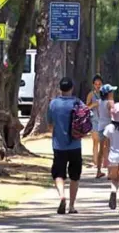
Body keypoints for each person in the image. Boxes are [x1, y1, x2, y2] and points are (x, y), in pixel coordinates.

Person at [47, 77, 84, 214]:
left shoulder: (53, 104)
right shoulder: (77, 102)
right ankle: (72, 206)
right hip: (75, 144)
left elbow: (50, 124)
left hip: (58, 145)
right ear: (72, 88)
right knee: (75, 176)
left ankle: (62, 195)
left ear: (60, 89)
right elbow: (87, 117)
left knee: (58, 173)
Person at [97, 84, 117, 179]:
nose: (113, 93)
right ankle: (109, 172)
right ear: (108, 93)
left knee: (101, 149)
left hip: (100, 126)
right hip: (109, 126)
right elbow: (112, 115)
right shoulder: (110, 102)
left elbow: (98, 113)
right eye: (111, 91)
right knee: (109, 149)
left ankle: (98, 171)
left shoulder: (99, 102)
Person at [86, 74, 103, 167]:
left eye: (99, 84)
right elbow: (86, 107)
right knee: (96, 141)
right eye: (96, 84)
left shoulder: (104, 93)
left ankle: (103, 161)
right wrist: (94, 104)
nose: (98, 86)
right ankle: (95, 161)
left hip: (104, 120)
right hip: (94, 120)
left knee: (104, 142)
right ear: (93, 85)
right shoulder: (91, 94)